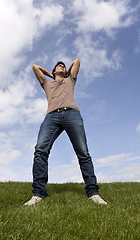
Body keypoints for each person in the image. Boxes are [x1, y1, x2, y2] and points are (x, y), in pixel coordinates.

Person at [24, 58, 107, 206]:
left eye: (63, 65)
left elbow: (77, 61)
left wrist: (65, 73)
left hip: (72, 115)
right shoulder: (47, 84)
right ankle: (38, 193)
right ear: (54, 70)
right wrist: (53, 75)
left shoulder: (71, 80)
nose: (62, 66)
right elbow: (35, 67)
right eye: (58, 66)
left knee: (83, 152)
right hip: (51, 117)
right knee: (40, 150)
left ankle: (93, 192)